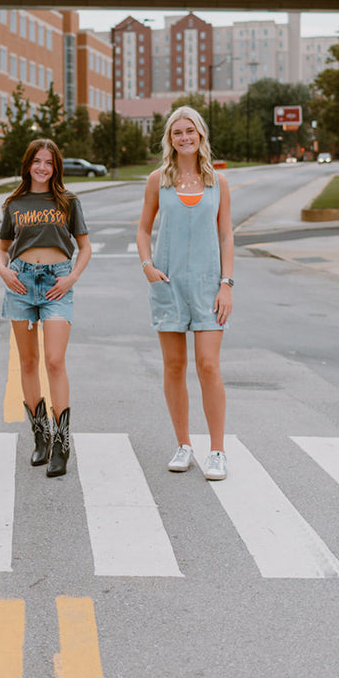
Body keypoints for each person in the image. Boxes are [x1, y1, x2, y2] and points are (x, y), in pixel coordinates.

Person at [135, 106, 235, 481]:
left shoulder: (217, 183)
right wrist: (148, 267)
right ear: (170, 139)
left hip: (209, 286)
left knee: (209, 366)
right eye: (177, 133)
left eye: (190, 131)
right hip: (168, 284)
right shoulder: (157, 180)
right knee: (174, 366)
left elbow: (226, 235)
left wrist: (227, 284)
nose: (184, 138)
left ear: (201, 136)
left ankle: (218, 451)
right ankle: (183, 444)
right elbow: (143, 230)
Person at [0, 139, 92, 478]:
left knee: (53, 360)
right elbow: (2, 249)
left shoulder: (68, 202)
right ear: (28, 165)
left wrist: (72, 279)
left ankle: (62, 446)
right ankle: (41, 436)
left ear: (56, 167)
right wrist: (4, 270)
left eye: (48, 163)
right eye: (37, 161)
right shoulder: (14, 203)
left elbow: (84, 247)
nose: (42, 167)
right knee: (28, 361)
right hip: (21, 285)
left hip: (57, 284)